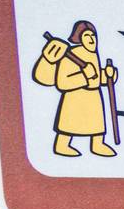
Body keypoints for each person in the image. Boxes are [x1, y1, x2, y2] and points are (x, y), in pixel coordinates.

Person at [31, 20, 117, 157]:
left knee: (96, 123)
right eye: (87, 36)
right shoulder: (71, 55)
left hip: (93, 98)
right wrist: (84, 76)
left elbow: (95, 76)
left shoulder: (94, 54)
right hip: (75, 99)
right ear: (79, 38)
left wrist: (108, 75)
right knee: (69, 123)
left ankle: (97, 144)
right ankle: (61, 145)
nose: (91, 39)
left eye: (93, 36)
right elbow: (63, 82)